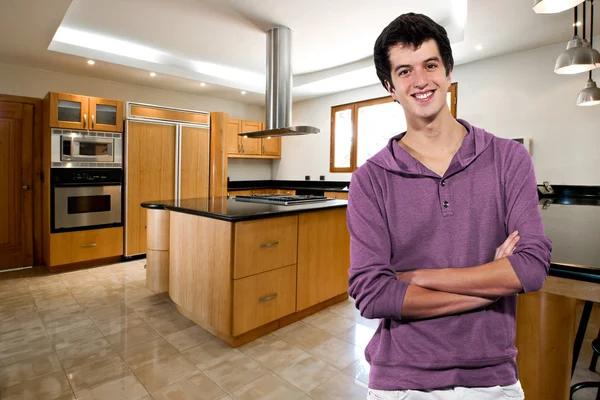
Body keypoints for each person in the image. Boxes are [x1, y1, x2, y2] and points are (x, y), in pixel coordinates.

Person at [347, 13, 552, 400]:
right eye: (404, 71)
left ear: (448, 71)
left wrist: (415, 276)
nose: (421, 80)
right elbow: (372, 294)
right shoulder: (369, 180)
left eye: (430, 65)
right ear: (390, 86)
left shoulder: (509, 158)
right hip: (401, 378)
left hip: (492, 375)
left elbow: (531, 268)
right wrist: (491, 285)